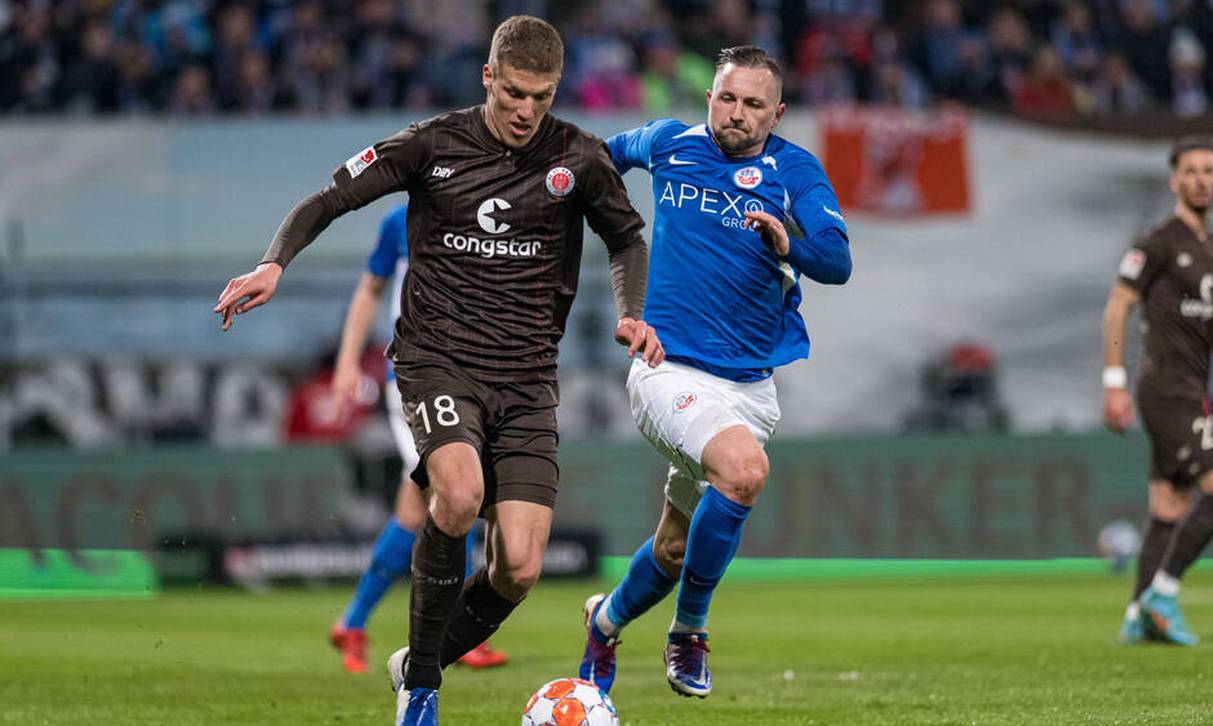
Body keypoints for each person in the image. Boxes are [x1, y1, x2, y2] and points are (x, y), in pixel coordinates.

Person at [214, 16, 663, 725]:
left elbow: (627, 238)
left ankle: (413, 661)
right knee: (456, 495)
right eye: (515, 92)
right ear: (489, 76)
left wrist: (632, 310)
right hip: (438, 362)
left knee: (518, 568)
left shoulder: (577, 157)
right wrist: (275, 260)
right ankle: (422, 691)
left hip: (527, 381)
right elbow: (332, 196)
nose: (526, 110)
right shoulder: (432, 144)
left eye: (541, 97)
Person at [578, 45, 852, 698]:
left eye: (753, 104)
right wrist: (604, 233)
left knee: (673, 551)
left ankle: (605, 621)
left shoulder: (796, 173)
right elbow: (593, 161)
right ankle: (689, 632)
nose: (736, 113)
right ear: (709, 99)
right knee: (745, 472)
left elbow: (837, 261)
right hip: (664, 369)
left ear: (776, 113)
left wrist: (790, 242)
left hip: (749, 389)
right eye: (726, 98)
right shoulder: (669, 142)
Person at [1102, 137, 1213, 646]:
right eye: (1192, 171)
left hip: (1191, 390)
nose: (1202, 179)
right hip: (1165, 389)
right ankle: (1163, 593)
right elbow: (1118, 306)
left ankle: (1138, 615)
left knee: (1167, 508)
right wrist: (1113, 381)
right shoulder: (1157, 243)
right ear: (1174, 181)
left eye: (1210, 171)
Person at [328, 204, 506, 673]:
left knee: (416, 509)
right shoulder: (401, 219)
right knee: (457, 488)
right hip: (413, 378)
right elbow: (371, 287)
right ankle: (460, 632)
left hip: (467, 376)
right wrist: (348, 362)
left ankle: (354, 621)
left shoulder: (485, 211)